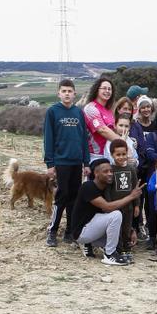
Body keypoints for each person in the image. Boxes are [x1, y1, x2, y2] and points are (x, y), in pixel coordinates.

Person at [43, 79, 90, 247]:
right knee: (61, 196)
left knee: (74, 198)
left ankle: (70, 231)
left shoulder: (79, 113)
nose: (67, 94)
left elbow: (84, 138)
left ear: (74, 94)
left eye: (70, 91)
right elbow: (48, 138)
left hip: (77, 162)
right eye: (64, 91)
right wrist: (50, 163)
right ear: (59, 93)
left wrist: (86, 162)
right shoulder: (53, 112)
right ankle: (52, 231)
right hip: (61, 161)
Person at [73, 157, 141, 266]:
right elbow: (107, 208)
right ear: (96, 173)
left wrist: (131, 229)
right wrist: (131, 196)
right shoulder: (88, 187)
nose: (110, 174)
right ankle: (109, 255)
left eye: (111, 171)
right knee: (116, 214)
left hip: (94, 230)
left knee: (120, 238)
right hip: (82, 232)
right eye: (105, 171)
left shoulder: (107, 188)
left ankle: (91, 245)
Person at [105, 138, 141, 261]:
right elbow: (108, 190)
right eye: (118, 155)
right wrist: (109, 205)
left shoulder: (131, 169)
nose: (121, 157)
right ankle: (118, 249)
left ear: (128, 153)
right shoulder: (110, 170)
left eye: (124, 154)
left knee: (127, 228)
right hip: (115, 207)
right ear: (112, 155)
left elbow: (135, 188)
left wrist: (137, 205)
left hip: (129, 207)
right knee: (117, 230)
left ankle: (127, 248)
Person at [81, 77, 118, 162]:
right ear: (97, 90)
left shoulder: (109, 110)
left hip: (110, 153)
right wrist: (122, 142)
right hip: (96, 156)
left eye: (110, 89)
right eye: (104, 88)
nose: (107, 91)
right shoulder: (90, 108)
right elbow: (102, 130)